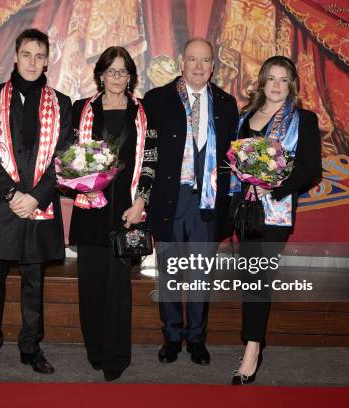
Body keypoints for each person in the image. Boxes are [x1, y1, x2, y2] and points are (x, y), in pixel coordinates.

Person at [0, 28, 72, 376]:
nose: (32, 61)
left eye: (39, 55)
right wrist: (12, 194)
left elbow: (66, 157)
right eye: (27, 54)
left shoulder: (61, 103)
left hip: (39, 205)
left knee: (33, 283)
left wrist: (36, 197)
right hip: (0, 205)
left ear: (47, 60)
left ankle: (31, 347)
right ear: (15, 56)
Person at [144, 38, 239, 366]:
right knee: (169, 274)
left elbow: (231, 160)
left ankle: (196, 338)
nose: (198, 67)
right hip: (170, 199)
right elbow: (148, 153)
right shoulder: (157, 100)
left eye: (205, 61)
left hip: (207, 204)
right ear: (181, 62)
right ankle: (171, 336)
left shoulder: (226, 104)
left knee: (200, 276)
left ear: (213, 66)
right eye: (192, 60)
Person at [230, 55, 321, 385]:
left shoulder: (304, 120)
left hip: (275, 211)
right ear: (262, 82)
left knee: (258, 278)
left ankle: (252, 350)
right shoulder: (245, 118)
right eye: (272, 78)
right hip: (246, 210)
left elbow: (311, 170)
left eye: (284, 79)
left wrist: (276, 186)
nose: (277, 85)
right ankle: (254, 341)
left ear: (292, 84)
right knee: (249, 278)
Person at [69, 46, 157, 382]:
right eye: (111, 71)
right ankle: (95, 348)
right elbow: (70, 156)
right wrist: (79, 183)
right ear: (101, 75)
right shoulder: (82, 110)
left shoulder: (144, 114)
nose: (117, 77)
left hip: (127, 209)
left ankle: (116, 355)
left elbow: (151, 160)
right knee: (90, 285)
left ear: (131, 76)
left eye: (123, 72)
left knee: (119, 287)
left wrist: (141, 202)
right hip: (90, 206)